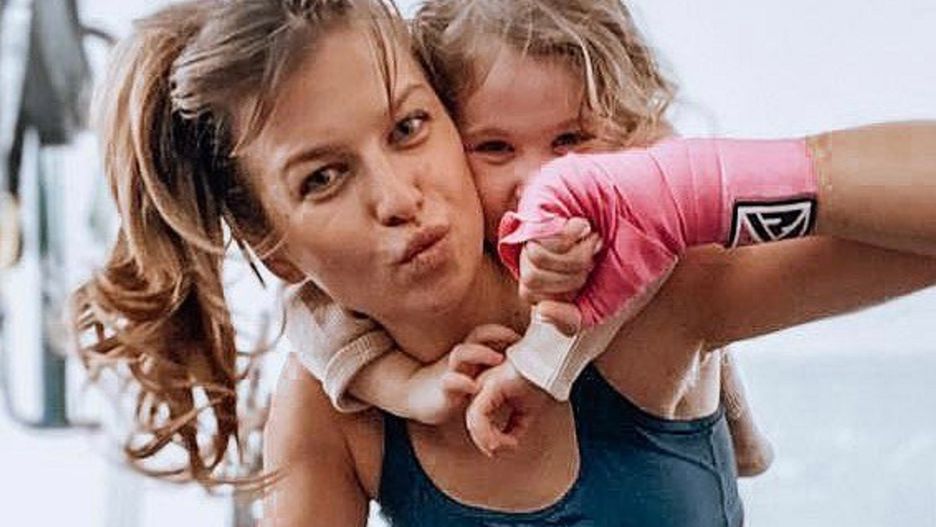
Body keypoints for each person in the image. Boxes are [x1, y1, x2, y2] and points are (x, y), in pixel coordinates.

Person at [69, 0, 936, 525]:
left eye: (408, 127)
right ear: (274, 247)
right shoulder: (328, 412)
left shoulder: (656, 297)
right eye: (323, 177)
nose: (398, 196)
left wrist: (690, 186)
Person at [284, 0, 780, 475]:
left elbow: (669, 223)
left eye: (570, 140)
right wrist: (406, 386)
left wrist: (537, 364)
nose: (539, 182)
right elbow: (309, 309)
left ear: (626, 120)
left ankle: (743, 437)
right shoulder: (450, 241)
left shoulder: (641, 176)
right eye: (495, 148)